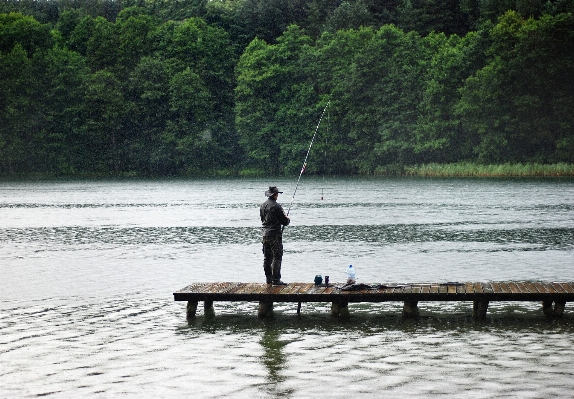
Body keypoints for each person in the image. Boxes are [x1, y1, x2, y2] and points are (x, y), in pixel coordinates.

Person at [260, 186, 290, 285]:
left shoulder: (262, 205)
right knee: (277, 256)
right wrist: (287, 218)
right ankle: (276, 280)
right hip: (274, 235)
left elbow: (262, 220)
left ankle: (268, 279)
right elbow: (285, 222)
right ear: (275, 195)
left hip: (264, 234)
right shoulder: (277, 206)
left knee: (267, 257)